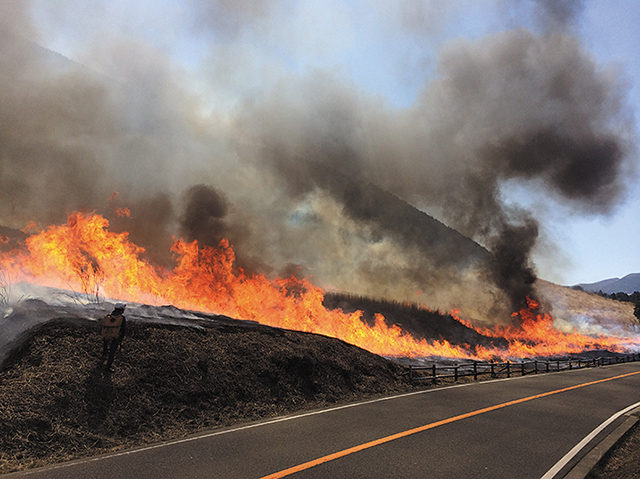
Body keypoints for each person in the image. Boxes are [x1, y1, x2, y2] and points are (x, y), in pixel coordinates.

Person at [101, 303, 127, 372]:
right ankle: (107, 368)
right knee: (112, 352)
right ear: (121, 310)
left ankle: (101, 361)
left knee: (105, 349)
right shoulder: (122, 318)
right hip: (115, 337)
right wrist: (121, 338)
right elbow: (123, 330)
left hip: (106, 335)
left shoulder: (108, 316)